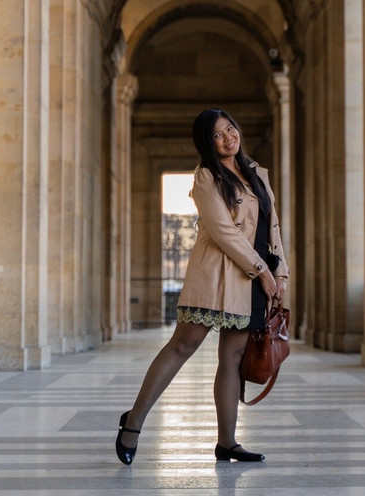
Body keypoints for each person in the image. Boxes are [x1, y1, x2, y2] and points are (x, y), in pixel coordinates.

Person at [115, 107, 289, 465]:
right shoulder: (207, 178)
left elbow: (273, 229)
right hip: (216, 274)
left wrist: (280, 272)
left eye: (230, 129)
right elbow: (225, 233)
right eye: (218, 136)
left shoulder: (257, 172)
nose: (228, 138)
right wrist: (263, 271)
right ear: (207, 144)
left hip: (251, 278)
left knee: (233, 358)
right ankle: (132, 422)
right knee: (183, 345)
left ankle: (227, 442)